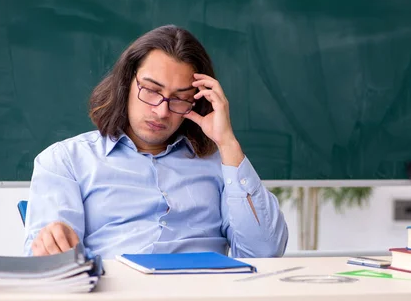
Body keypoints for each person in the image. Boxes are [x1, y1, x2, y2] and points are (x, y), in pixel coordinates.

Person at [23, 25, 288, 259]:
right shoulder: (65, 161)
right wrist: (53, 242)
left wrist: (227, 142)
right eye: (151, 90)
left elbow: (264, 252)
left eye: (180, 98)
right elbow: (51, 265)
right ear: (126, 84)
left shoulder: (222, 165)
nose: (162, 111)